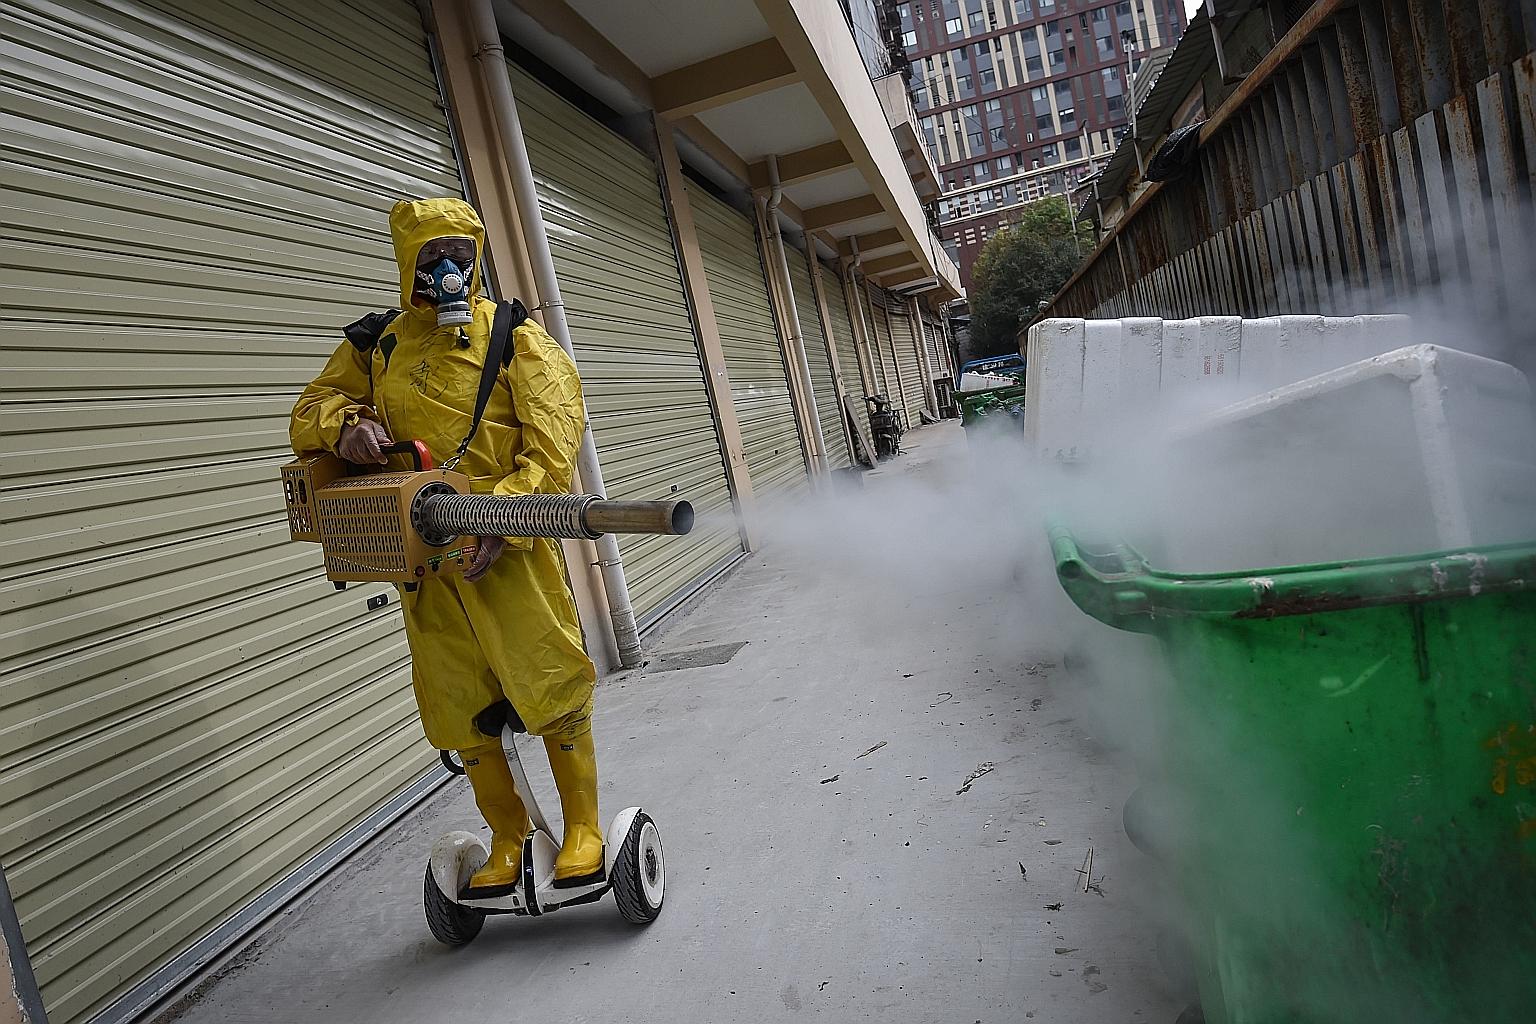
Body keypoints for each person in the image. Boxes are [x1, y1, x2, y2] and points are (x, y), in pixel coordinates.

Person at [289, 198, 602, 896]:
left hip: (508, 551)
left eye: (461, 254)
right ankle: (510, 835)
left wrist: (501, 517)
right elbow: (307, 408)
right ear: (408, 263)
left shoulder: (514, 337)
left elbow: (555, 443)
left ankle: (583, 828)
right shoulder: (377, 344)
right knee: (459, 703)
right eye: (433, 257)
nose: (450, 270)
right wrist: (342, 426)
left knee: (548, 682)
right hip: (424, 562)